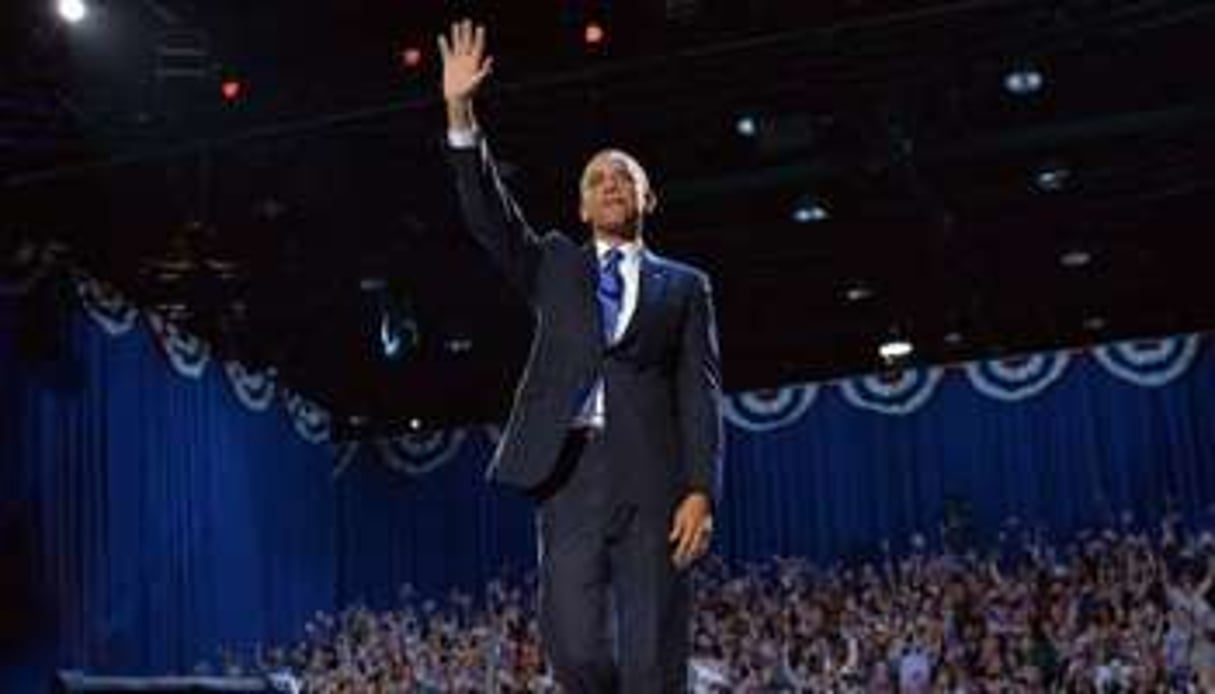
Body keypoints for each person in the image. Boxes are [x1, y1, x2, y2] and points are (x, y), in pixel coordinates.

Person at [437, 19, 724, 693]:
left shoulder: (684, 286)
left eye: (623, 177)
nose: (609, 184)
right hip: (568, 474)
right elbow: (489, 217)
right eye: (596, 179)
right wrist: (459, 112)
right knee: (572, 649)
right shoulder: (554, 265)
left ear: (647, 197)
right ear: (580, 203)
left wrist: (700, 490)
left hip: (654, 479)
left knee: (654, 655)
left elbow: (698, 391)